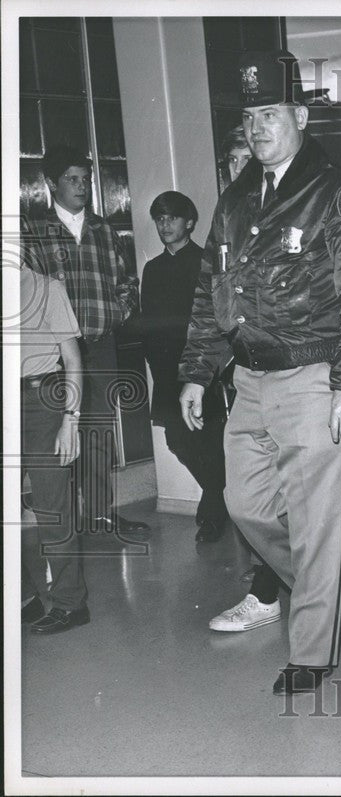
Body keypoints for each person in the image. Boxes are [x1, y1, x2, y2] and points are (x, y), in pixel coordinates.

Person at [177, 49, 341, 695]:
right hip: (247, 380)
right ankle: (330, 578)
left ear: (299, 115)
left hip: (314, 378)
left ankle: (313, 652)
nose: (257, 126)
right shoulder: (238, 198)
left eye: (270, 112)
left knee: (317, 517)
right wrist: (196, 369)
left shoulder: (337, 191)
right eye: (249, 115)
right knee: (245, 501)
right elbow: (211, 290)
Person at [23, 145, 149, 538]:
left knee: (97, 429)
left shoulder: (103, 229)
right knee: (55, 431)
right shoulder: (35, 232)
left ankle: (98, 514)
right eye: (73, 179)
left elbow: (126, 281)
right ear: (50, 184)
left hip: (99, 343)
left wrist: (119, 311)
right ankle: (58, 515)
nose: (83, 186)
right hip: (54, 355)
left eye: (87, 180)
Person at [140, 191, 228, 543]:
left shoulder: (204, 261)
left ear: (189, 222)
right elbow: (148, 322)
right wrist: (156, 363)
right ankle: (219, 495)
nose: (164, 225)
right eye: (159, 219)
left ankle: (212, 510)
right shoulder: (154, 268)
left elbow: (215, 318)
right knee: (178, 439)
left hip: (199, 368)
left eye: (171, 218)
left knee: (208, 438)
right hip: (165, 370)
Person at [19, 266, 89, 634]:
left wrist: (70, 420)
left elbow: (73, 359)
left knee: (51, 507)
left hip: (41, 401)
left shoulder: (48, 289)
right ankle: (23, 599)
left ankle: (70, 603)